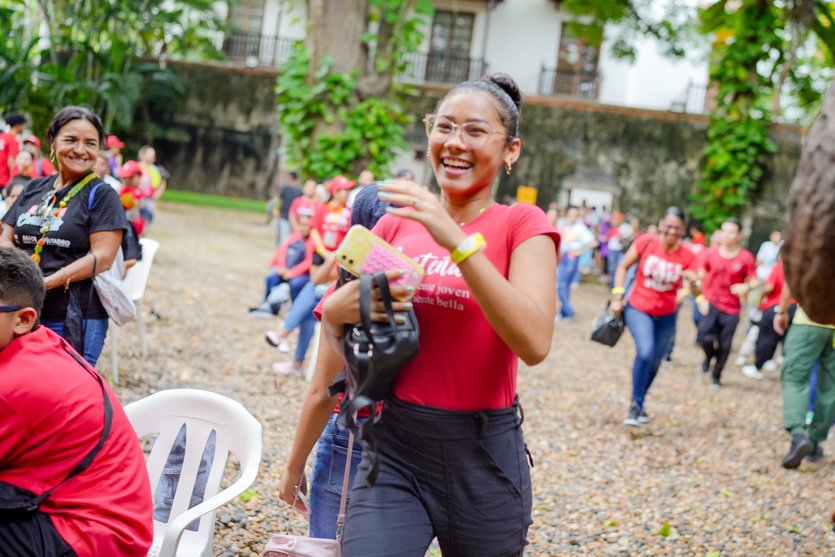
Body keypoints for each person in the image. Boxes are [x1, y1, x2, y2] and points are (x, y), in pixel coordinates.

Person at [318, 73, 559, 556]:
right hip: (394, 449)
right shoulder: (394, 224)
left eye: (475, 131)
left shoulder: (522, 224)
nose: (455, 142)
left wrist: (455, 239)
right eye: (444, 126)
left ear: (511, 150)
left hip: (483, 456)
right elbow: (347, 336)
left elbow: (534, 343)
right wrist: (337, 312)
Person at [0, 246, 153, 556]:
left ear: (23, 319)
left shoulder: (15, 385)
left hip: (93, 533)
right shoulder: (36, 341)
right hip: (64, 499)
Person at [276, 183, 391, 538]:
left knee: (331, 545)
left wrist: (293, 468)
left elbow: (323, 392)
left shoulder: (349, 294)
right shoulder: (428, 292)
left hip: (353, 433)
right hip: (413, 436)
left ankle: (283, 332)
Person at [0, 106, 129, 365]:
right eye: (71, 139)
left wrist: (44, 283)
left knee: (58, 386)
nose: (80, 150)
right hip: (20, 311)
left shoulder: (102, 195)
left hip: (72, 315)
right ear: (53, 142)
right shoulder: (34, 187)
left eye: (90, 143)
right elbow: (6, 237)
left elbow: (103, 257)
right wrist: (22, 277)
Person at [611, 207, 696, 426]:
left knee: (656, 362)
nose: (672, 231)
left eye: (677, 228)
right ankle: (635, 406)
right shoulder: (646, 242)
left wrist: (692, 284)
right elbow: (622, 266)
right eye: (668, 226)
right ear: (660, 225)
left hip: (667, 315)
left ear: (683, 230)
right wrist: (617, 296)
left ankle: (639, 402)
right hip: (638, 308)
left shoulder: (688, 255)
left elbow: (696, 289)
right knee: (645, 352)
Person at [773, 283, 834, 469]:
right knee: (830, 385)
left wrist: (781, 311)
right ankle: (814, 442)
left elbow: (791, 279)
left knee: (794, 377)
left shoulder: (815, 258)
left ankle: (798, 436)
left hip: (809, 321)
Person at [696, 218, 758, 387]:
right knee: (703, 338)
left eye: (731, 232)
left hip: (731, 308)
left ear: (739, 235)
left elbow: (754, 281)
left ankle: (716, 376)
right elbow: (699, 276)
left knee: (725, 345)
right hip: (711, 303)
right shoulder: (710, 254)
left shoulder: (746, 257)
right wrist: (701, 298)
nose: (727, 235)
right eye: (724, 231)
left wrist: (746, 286)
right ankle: (709, 356)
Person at [741, 251, 795, 380]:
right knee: (787, 340)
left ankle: (757, 366)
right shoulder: (802, 268)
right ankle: (782, 368)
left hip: (776, 307)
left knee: (766, 338)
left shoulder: (779, 267)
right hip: (795, 309)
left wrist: (760, 300)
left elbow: (769, 287)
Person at [249, 216, 314, 318]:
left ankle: (295, 310)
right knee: (271, 278)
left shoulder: (313, 242)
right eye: (302, 225)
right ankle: (267, 303)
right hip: (284, 270)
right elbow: (282, 251)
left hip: (300, 274)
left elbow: (309, 262)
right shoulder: (293, 237)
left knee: (295, 284)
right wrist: (281, 267)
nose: (304, 228)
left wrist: (292, 273)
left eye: (307, 226)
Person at [556, 205, 596, 321]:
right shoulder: (564, 225)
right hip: (563, 257)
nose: (572, 216)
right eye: (570, 214)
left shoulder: (580, 228)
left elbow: (593, 243)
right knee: (564, 287)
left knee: (561, 286)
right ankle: (563, 313)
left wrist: (579, 251)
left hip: (571, 259)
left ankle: (569, 311)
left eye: (575, 214)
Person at [308, 175, 354, 257]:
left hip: (340, 256)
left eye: (349, 190)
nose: (348, 193)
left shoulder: (350, 211)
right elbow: (313, 230)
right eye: (345, 190)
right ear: (335, 192)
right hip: (320, 255)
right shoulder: (322, 207)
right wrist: (323, 252)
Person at [137, 145, 166, 224]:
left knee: (146, 220)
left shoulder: (156, 170)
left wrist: (156, 195)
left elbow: (161, 184)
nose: (153, 157)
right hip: (136, 198)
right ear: (142, 155)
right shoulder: (136, 167)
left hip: (149, 200)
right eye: (150, 154)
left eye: (153, 155)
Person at [1, 113, 27, 189]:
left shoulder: (2, 137)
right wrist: (15, 180)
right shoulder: (13, 141)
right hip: (4, 181)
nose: (24, 127)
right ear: (17, 125)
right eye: (23, 124)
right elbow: (11, 161)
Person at [276, 170, 302, 245]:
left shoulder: (285, 188)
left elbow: (280, 202)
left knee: (282, 238)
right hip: (294, 219)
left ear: (290, 177)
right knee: (290, 238)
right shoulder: (299, 191)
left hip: (284, 216)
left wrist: (277, 211)